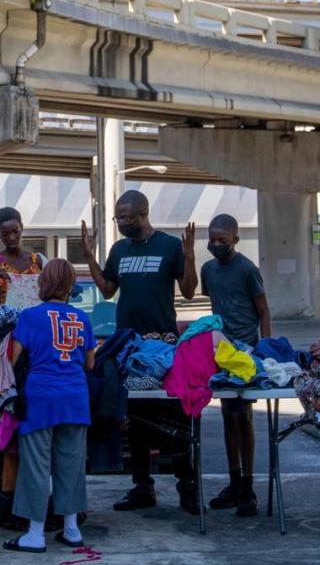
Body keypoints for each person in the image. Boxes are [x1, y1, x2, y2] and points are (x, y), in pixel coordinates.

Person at [81, 189, 199, 513]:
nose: (121, 223)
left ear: (144, 214)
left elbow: (189, 292)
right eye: (118, 217)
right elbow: (107, 290)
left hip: (162, 347)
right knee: (135, 418)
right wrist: (90, 256)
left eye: (127, 217)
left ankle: (188, 487)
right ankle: (142, 487)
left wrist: (189, 256)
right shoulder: (119, 250)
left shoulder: (170, 246)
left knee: (174, 417)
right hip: (129, 348)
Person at [3, 259, 95, 553]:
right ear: (70, 286)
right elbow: (90, 362)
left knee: (36, 465)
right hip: (75, 397)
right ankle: (71, 529)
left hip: (40, 397)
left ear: (44, 283)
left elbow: (12, 359)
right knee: (71, 464)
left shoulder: (30, 317)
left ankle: (35, 533)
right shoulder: (83, 318)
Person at [200, 214, 271, 517]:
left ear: (235, 240)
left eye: (222, 240)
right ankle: (233, 481)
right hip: (221, 351)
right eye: (212, 239)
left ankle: (248, 485)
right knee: (228, 414)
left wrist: (265, 351)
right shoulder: (208, 270)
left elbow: (264, 312)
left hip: (248, 351)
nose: (216, 245)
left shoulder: (247, 270)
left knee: (244, 414)